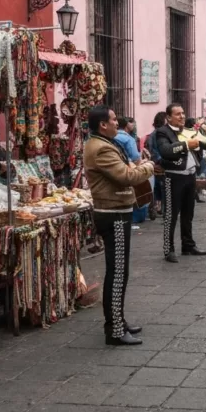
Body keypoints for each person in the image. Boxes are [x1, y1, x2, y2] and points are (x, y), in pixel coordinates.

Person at [84, 105, 155, 345]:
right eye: (114, 120)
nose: (118, 123)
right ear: (103, 124)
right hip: (112, 213)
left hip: (117, 210)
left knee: (119, 271)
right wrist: (149, 167)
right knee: (117, 273)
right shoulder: (101, 148)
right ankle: (114, 329)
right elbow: (126, 176)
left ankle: (118, 320)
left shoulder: (104, 143)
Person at [155, 103, 206, 263]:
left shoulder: (188, 131)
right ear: (169, 117)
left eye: (183, 113)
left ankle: (188, 245)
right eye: (178, 114)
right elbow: (165, 151)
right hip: (174, 176)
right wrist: (185, 145)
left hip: (190, 176)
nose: (182, 117)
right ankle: (168, 249)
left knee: (188, 213)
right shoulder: (162, 132)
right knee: (171, 215)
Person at [144, 112, 167, 220]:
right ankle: (163, 209)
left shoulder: (153, 134)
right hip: (160, 164)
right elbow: (155, 150)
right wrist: (161, 160)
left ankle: (159, 207)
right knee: (163, 188)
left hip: (156, 164)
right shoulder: (159, 134)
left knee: (158, 187)